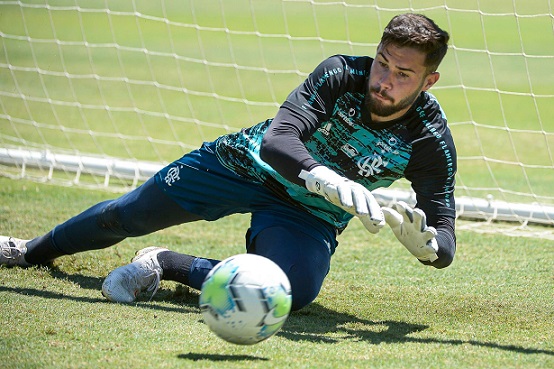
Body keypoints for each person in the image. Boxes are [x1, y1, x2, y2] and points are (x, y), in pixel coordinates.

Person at [0, 13, 456, 312]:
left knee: (291, 292)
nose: (384, 80)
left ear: (429, 80)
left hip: (309, 212)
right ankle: (31, 251)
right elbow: (280, 141)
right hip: (247, 164)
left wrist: (431, 251)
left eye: (403, 74)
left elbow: (443, 224)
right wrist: (325, 177)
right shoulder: (340, 73)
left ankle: (164, 263)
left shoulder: (430, 139)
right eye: (382, 63)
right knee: (128, 214)